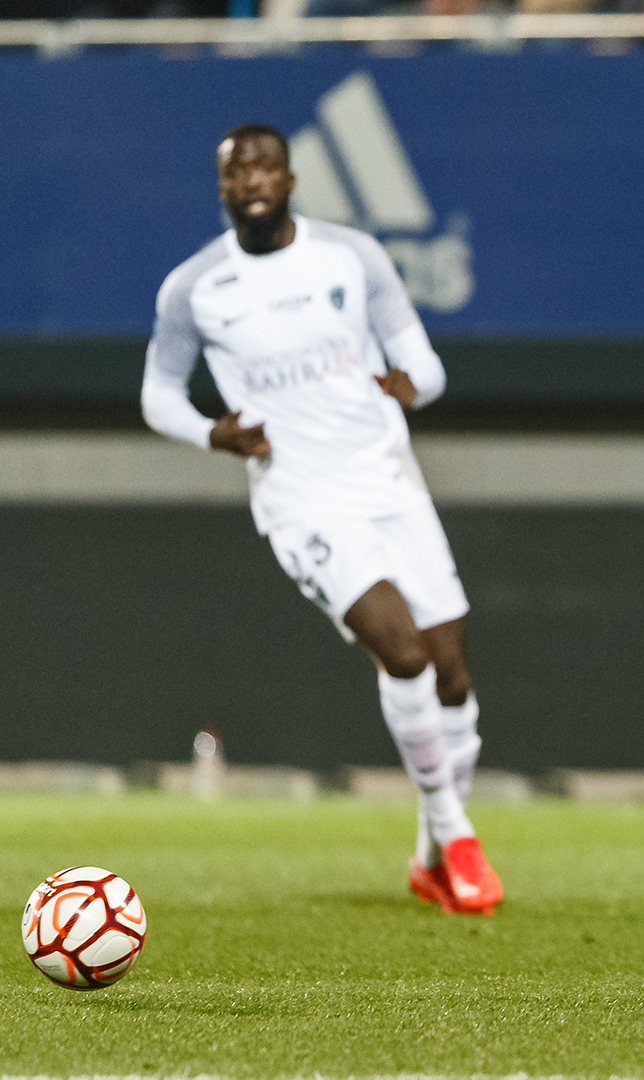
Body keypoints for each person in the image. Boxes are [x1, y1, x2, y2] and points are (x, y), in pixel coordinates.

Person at [141, 123, 504, 917]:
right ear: (223, 188)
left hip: (390, 483)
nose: (254, 179)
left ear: (292, 177)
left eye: (267, 164)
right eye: (238, 170)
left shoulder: (352, 257)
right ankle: (457, 834)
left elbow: (426, 363)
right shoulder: (193, 288)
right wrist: (214, 432)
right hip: (301, 497)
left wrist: (414, 385)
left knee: (452, 674)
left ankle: (428, 858)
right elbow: (157, 395)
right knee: (401, 651)